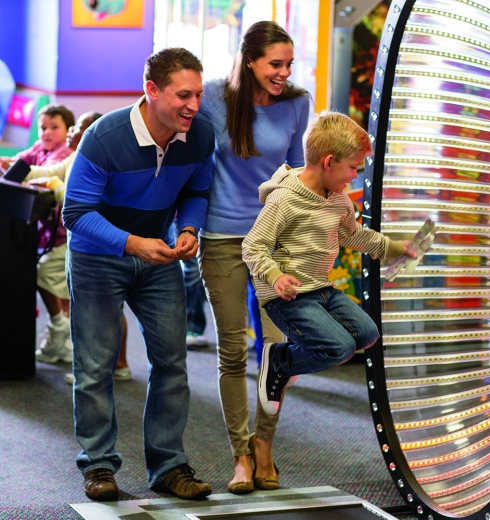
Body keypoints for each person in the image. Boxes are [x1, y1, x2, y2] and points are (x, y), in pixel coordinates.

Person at [62, 48, 214, 502]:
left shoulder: (200, 135)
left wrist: (188, 227)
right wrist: (131, 243)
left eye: (199, 95)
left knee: (172, 363)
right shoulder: (104, 138)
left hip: (158, 258)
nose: (193, 105)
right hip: (97, 258)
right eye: (183, 95)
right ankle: (99, 466)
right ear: (151, 90)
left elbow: (197, 190)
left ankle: (167, 466)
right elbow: (76, 213)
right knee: (95, 367)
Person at [198, 21, 310, 494]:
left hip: (274, 242)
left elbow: (298, 172)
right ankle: (240, 456)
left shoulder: (296, 104)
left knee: (275, 351)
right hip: (221, 236)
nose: (283, 73)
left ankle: (265, 447)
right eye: (274, 64)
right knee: (231, 351)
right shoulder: (210, 98)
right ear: (249, 61)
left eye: (288, 64)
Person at [242, 111, 416, 416]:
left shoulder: (338, 200)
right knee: (338, 348)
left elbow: (355, 236)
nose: (353, 176)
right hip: (288, 297)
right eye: (352, 168)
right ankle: (279, 360)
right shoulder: (284, 199)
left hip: (321, 289)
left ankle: (290, 356)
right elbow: (253, 245)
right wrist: (275, 276)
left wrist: (395, 247)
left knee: (367, 333)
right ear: (328, 161)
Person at [25, 111, 132, 381]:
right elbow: (49, 171)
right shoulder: (75, 156)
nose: (71, 131)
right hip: (85, 245)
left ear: (93, 133)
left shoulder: (101, 161)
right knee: (96, 307)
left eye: (78, 127)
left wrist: (53, 184)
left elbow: (75, 203)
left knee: (106, 306)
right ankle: (107, 366)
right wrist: (17, 166)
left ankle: (113, 365)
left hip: (100, 245)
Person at [0, 104, 75, 363]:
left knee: (47, 278)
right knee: (54, 283)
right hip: (42, 232)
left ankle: (60, 330)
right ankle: (60, 340)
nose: (47, 133)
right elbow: (20, 162)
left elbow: (39, 179)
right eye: (43, 127)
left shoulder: (64, 153)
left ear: (68, 132)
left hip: (62, 233)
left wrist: (20, 171)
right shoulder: (39, 149)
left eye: (54, 128)